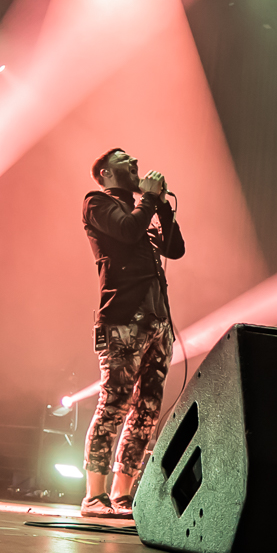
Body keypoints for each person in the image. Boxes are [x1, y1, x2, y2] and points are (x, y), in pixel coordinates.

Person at [78, 148, 184, 518]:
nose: (134, 163)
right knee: (115, 401)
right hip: (123, 319)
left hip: (157, 321)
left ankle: (122, 496)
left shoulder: (144, 210)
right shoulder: (97, 203)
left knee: (147, 410)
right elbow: (126, 231)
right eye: (124, 159)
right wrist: (149, 200)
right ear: (106, 172)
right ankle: (95, 495)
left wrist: (163, 206)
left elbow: (175, 249)